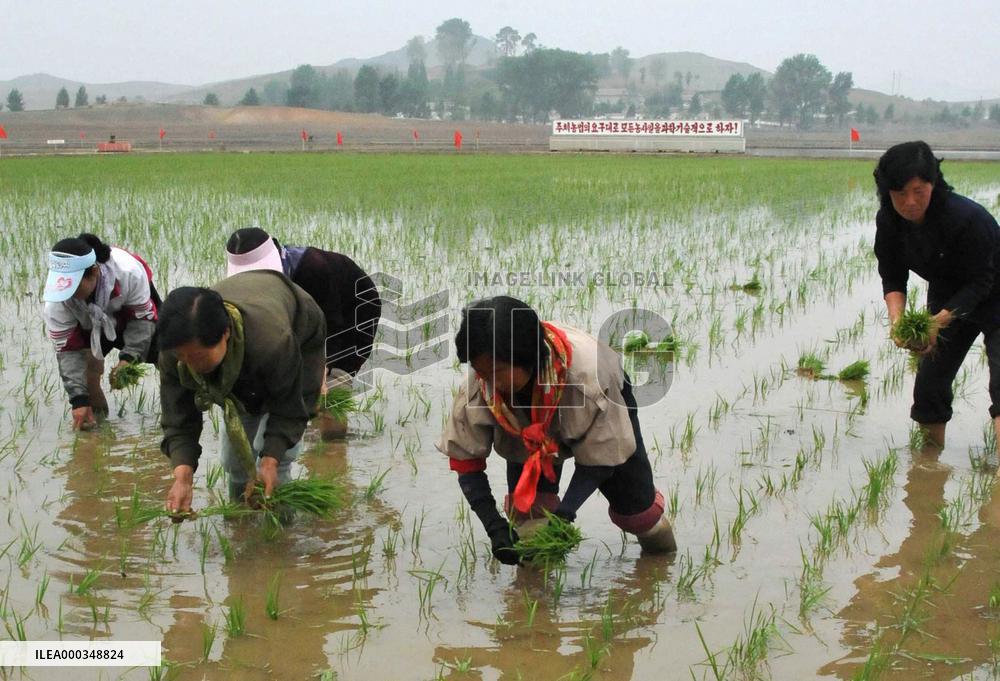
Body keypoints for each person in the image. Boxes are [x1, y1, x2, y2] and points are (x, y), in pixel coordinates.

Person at [437, 296, 676, 566]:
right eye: (481, 372)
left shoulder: (592, 379)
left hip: (606, 405)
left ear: (526, 359)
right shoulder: (483, 385)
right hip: (529, 434)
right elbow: (466, 460)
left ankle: (663, 571)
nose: (490, 382)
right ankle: (536, 603)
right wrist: (494, 526)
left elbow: (601, 459)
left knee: (641, 516)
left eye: (498, 372)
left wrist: (564, 515)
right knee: (530, 524)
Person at [157, 270, 325, 513]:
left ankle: (281, 533)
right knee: (233, 462)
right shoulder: (176, 351)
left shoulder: (272, 342)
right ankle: (240, 517)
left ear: (225, 333)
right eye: (181, 357)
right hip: (248, 349)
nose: (189, 364)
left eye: (197, 356)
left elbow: (290, 407)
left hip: (301, 332)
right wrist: (183, 476)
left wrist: (270, 459)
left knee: (276, 462)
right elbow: (178, 417)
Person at [873, 140, 1000, 448]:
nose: (910, 202)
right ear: (887, 191)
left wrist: (939, 320)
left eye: (919, 191)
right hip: (947, 292)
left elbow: (982, 282)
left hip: (995, 291)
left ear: (933, 184)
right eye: (900, 194)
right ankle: (928, 464)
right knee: (930, 384)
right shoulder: (889, 221)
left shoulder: (967, 218)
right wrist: (898, 322)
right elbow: (892, 275)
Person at [225, 228, 381, 438]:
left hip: (353, 313)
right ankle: (308, 437)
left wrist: (322, 375)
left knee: (333, 388)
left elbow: (332, 326)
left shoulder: (312, 268)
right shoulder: (248, 286)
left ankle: (333, 451)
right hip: (307, 318)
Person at [42, 233, 160, 430]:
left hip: (130, 313)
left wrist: (129, 359)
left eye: (75, 285)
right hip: (88, 321)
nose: (68, 294)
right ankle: (98, 431)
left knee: (168, 355)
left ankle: (176, 421)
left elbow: (142, 321)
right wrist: (78, 400)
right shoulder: (58, 299)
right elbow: (68, 352)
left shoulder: (128, 272)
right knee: (88, 373)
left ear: (94, 272)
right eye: (64, 287)